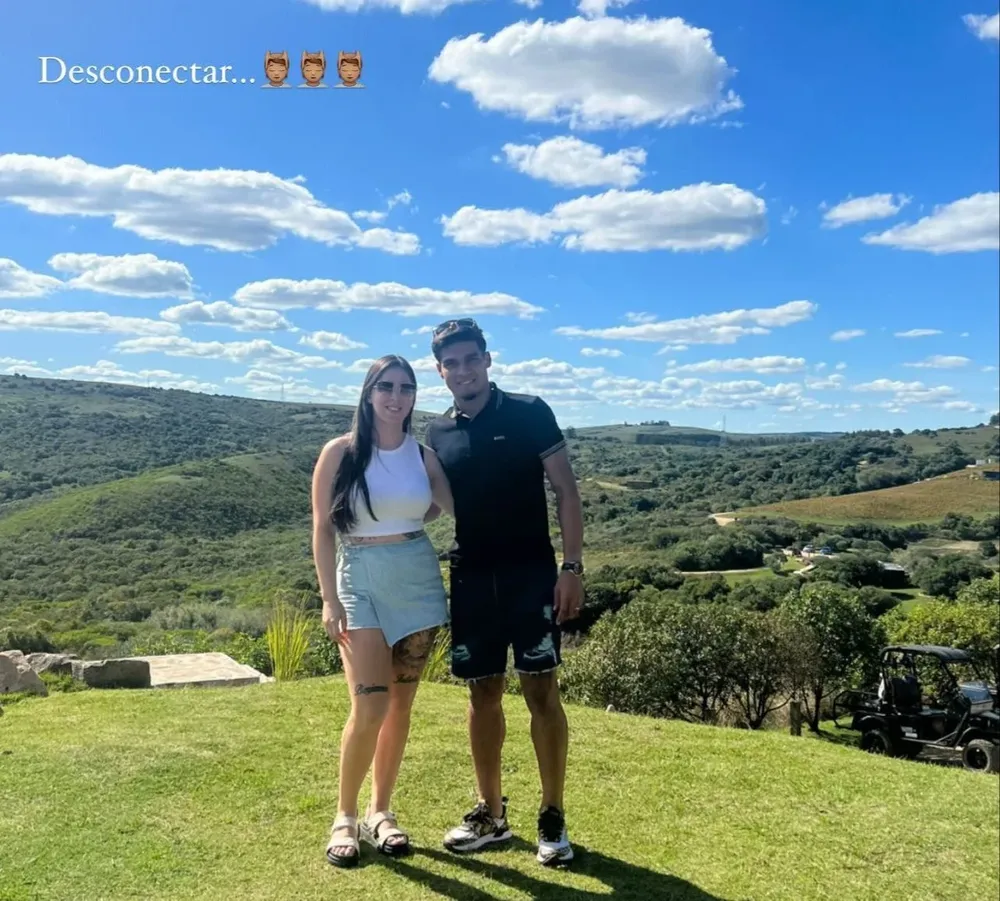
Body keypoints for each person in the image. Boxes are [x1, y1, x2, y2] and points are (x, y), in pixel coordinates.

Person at [424, 318, 585, 867]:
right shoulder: (437, 433)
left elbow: (565, 491)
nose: (463, 371)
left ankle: (552, 814)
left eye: (472, 359)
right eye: (452, 363)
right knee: (481, 695)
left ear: (488, 360)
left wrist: (571, 567)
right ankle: (490, 814)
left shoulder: (529, 411)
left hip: (531, 575)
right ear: (440, 370)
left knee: (542, 692)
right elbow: (430, 505)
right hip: (471, 578)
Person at [311, 354, 453, 868]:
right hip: (360, 582)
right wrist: (329, 598)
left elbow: (452, 506)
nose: (396, 397)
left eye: (406, 388)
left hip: (418, 583)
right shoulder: (340, 453)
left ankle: (381, 812)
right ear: (369, 393)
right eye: (386, 387)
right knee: (369, 706)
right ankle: (345, 816)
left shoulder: (424, 457)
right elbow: (322, 528)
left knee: (399, 709)